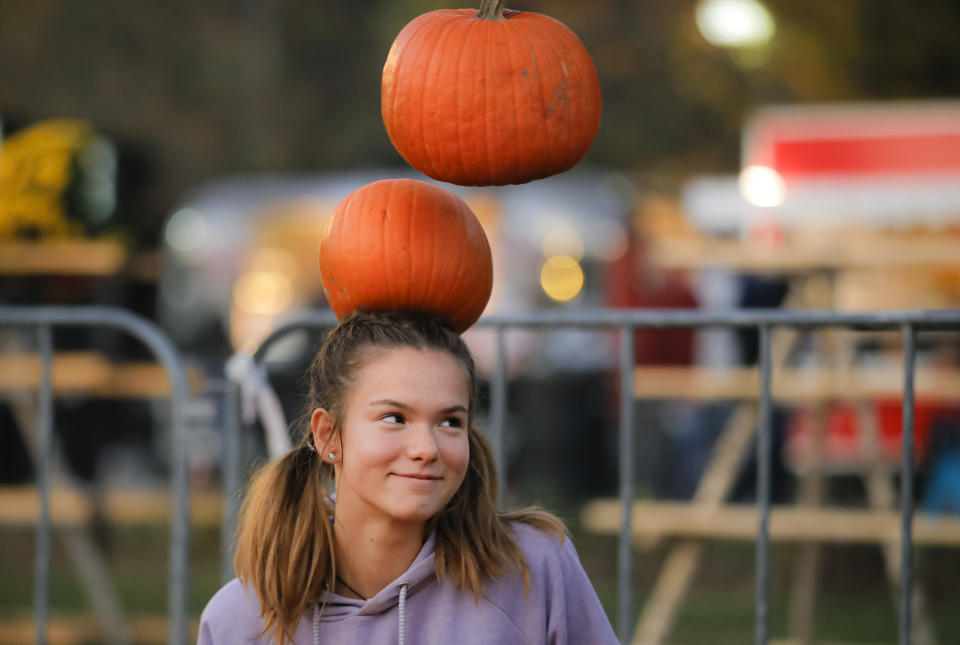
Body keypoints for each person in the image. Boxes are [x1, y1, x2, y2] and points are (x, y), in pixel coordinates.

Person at [198, 310, 618, 645]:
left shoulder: (532, 571)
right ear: (329, 435)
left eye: (450, 422)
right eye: (394, 418)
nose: (427, 448)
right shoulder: (240, 620)